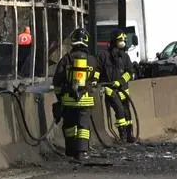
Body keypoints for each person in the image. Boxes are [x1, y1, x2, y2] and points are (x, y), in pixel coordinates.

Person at [52, 27, 100, 161]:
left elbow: (57, 81)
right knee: (83, 126)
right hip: (85, 101)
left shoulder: (65, 59)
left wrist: (60, 97)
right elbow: (95, 78)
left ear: (72, 41)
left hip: (68, 100)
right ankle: (82, 152)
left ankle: (70, 150)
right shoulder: (91, 60)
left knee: (69, 126)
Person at [97, 29, 136, 143]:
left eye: (123, 40)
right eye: (120, 40)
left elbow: (130, 73)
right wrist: (97, 81)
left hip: (123, 89)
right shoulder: (104, 55)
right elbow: (98, 70)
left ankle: (130, 135)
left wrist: (120, 82)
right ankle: (123, 136)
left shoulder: (125, 57)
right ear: (114, 41)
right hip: (110, 90)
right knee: (119, 111)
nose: (122, 42)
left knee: (127, 112)